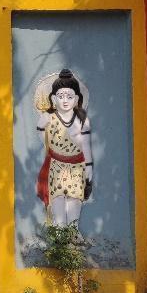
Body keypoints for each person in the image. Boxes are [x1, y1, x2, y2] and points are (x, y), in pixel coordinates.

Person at [35, 69, 92, 227]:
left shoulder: (82, 121)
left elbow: (86, 145)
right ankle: (60, 230)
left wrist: (89, 167)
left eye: (69, 96)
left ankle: (73, 231)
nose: (65, 100)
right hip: (57, 166)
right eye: (61, 96)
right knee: (58, 199)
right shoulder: (50, 119)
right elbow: (44, 139)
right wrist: (41, 127)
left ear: (77, 99)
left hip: (77, 167)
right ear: (53, 98)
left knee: (75, 199)